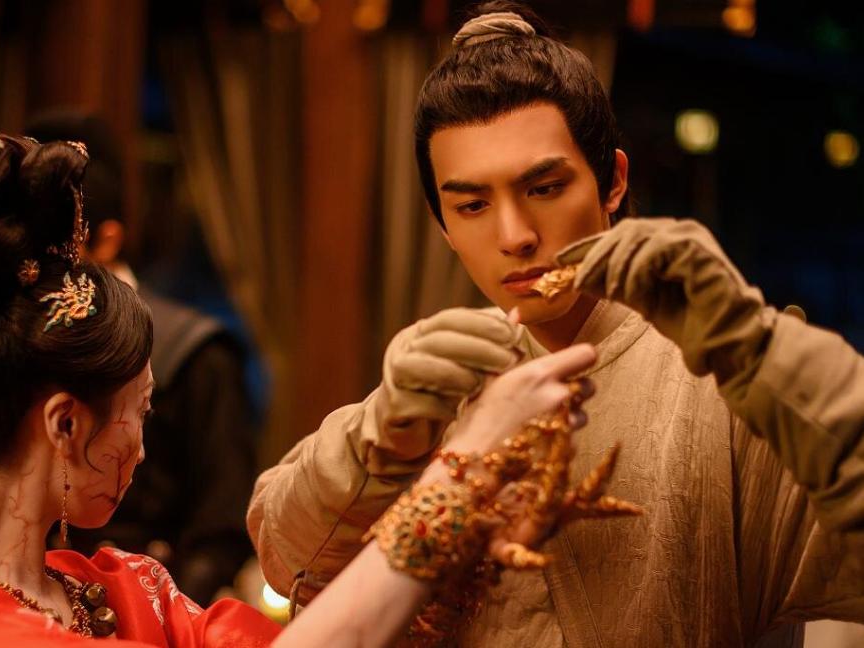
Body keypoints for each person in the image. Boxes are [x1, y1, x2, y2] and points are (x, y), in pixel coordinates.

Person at [0, 125, 626, 647]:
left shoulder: (118, 585)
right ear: (64, 424)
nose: (141, 447)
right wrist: (461, 471)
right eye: (140, 412)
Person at [248, 3, 864, 647]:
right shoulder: (439, 381)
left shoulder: (720, 375)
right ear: (442, 225)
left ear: (612, 183)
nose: (514, 236)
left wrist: (764, 353)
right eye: (472, 205)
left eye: (544, 188)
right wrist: (384, 434)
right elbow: (284, 556)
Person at [26, 113, 259, 602]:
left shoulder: (192, 353)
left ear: (106, 240)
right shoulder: (22, 339)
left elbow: (221, 526)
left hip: (151, 602)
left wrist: (149, 615)